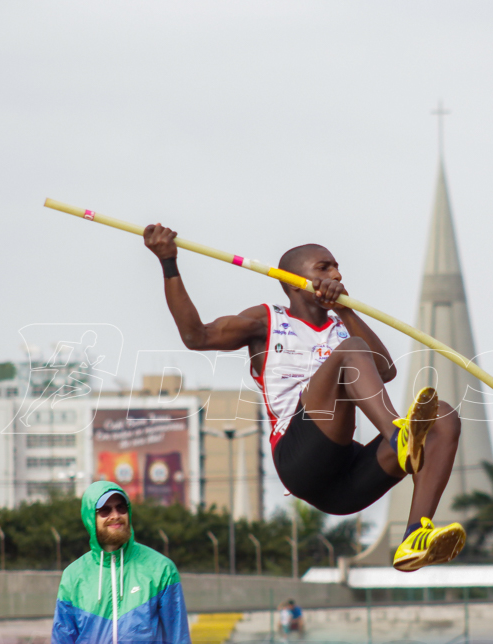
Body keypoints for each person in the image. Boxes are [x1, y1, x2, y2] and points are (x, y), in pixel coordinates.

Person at [143, 224, 466, 571]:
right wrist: (168, 262)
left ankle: (414, 536)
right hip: (299, 458)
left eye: (337, 267)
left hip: (345, 483)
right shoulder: (266, 320)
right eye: (324, 267)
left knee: (444, 417)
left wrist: (345, 310)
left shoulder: (343, 326)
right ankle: (399, 437)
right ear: (294, 280)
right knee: (351, 352)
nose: (337, 274)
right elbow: (196, 336)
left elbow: (385, 371)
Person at [51, 482, 193, 644]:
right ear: (90, 518)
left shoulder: (161, 569)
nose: (115, 515)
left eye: (121, 507)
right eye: (105, 510)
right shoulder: (73, 576)